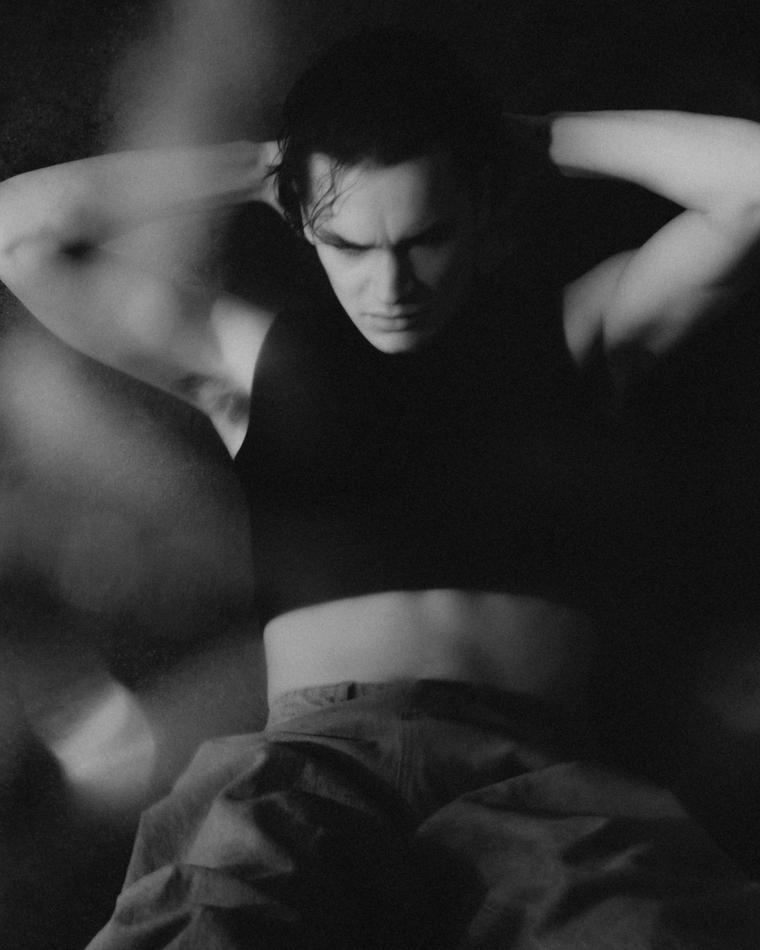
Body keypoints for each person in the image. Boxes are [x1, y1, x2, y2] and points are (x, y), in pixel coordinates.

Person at [2, 26, 760, 950]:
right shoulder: (254, 357)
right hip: (314, 765)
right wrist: (262, 166)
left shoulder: (578, 327)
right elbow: (19, 233)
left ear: (482, 202)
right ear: (304, 224)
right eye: (349, 244)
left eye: (425, 237)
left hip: (531, 776)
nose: (389, 284)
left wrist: (538, 138)